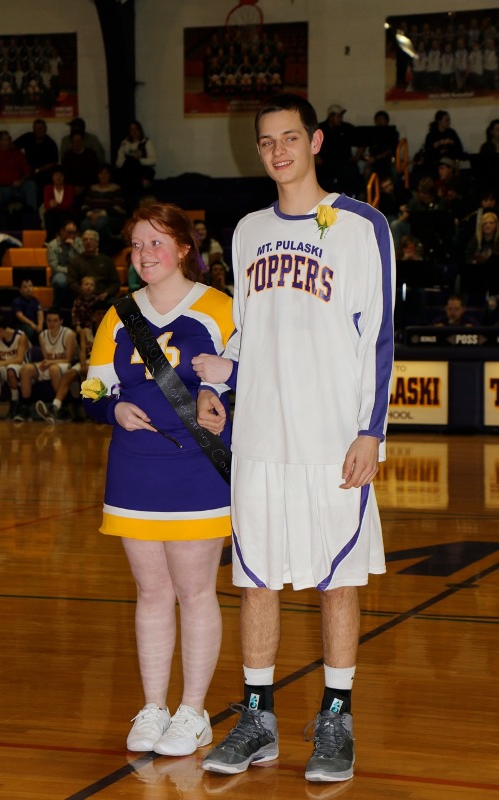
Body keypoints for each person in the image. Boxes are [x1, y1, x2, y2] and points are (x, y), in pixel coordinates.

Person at [194, 93, 395, 783]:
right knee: (256, 582)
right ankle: (258, 719)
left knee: (337, 581)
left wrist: (371, 432)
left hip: (331, 437)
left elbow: (378, 336)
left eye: (289, 137)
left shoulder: (361, 225)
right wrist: (221, 384)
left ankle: (336, 720)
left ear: (314, 141)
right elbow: (251, 329)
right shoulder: (248, 230)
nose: (277, 150)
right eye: (266, 141)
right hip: (259, 439)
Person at [81, 202, 235, 757]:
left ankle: (193, 712)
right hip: (134, 468)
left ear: (184, 248)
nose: (145, 254)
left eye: (156, 242)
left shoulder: (220, 308)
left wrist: (222, 382)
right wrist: (111, 409)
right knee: (150, 593)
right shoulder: (117, 314)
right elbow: (93, 388)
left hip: (197, 467)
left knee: (195, 592)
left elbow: (260, 371)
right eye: (137, 244)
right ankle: (153, 707)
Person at [36, 300, 108, 424]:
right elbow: (82, 350)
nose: (101, 316)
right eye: (98, 313)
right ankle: (55, 407)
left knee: (93, 374)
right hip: (87, 361)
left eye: (103, 313)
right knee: (70, 373)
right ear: (93, 316)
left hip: (104, 364)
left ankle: (96, 410)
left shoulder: (112, 331)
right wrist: (83, 363)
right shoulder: (85, 332)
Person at [14, 307, 77, 422]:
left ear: (61, 321)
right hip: (51, 364)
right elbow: (46, 359)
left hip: (64, 366)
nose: (52, 324)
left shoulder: (69, 334)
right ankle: (25, 407)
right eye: (49, 321)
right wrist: (45, 363)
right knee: (26, 369)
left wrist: (50, 362)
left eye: (55, 321)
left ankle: (62, 408)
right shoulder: (42, 335)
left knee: (53, 369)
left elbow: (68, 360)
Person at [0, 130, 37, 222]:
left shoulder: (17, 153)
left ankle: (32, 214)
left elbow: (27, 171)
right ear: (0, 141)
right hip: (0, 188)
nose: (10, 141)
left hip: (18, 187)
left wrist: (21, 181)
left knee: (31, 184)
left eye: (9, 139)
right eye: (7, 139)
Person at [317, 104, 365, 197]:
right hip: (325, 163)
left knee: (352, 172)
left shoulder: (347, 128)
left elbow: (363, 141)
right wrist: (315, 157)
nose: (341, 119)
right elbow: (308, 144)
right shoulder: (320, 128)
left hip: (344, 162)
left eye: (341, 116)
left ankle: (350, 198)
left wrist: (357, 157)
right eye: (338, 117)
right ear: (331, 116)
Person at [67, 229, 121, 304]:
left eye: (91, 239)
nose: (88, 242)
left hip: (104, 297)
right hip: (82, 297)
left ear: (97, 243)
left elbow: (115, 282)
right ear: (82, 243)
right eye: (85, 240)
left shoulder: (107, 261)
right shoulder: (75, 261)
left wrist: (107, 293)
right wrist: (83, 292)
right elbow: (72, 282)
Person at [14, 118, 59, 204]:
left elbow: (54, 162)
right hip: (27, 170)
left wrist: (38, 170)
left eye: (41, 128)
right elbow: (13, 146)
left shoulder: (50, 143)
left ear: (45, 129)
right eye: (36, 128)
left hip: (43, 172)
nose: (38, 130)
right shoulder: (28, 137)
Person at [115, 120, 157, 204]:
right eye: (131, 129)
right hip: (129, 172)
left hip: (142, 170)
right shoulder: (124, 143)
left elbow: (153, 160)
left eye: (136, 129)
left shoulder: (146, 142)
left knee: (133, 163)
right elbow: (118, 163)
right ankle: (141, 180)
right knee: (130, 162)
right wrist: (130, 160)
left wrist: (139, 160)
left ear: (140, 130)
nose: (134, 132)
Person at [42, 165, 78, 242]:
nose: (58, 177)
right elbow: (47, 205)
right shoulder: (48, 188)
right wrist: (54, 205)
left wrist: (56, 205)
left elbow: (68, 205)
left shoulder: (70, 188)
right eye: (56, 175)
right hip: (52, 213)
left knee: (63, 216)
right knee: (48, 215)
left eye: (61, 175)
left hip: (67, 213)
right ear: (52, 177)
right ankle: (50, 241)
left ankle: (64, 240)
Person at [11, 277, 44, 345]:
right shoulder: (17, 301)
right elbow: (19, 316)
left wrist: (40, 325)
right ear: (20, 290)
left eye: (30, 286)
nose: (28, 289)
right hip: (21, 325)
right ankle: (25, 346)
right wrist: (31, 324)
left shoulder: (35, 300)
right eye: (25, 287)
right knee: (29, 329)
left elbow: (40, 313)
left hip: (34, 323)